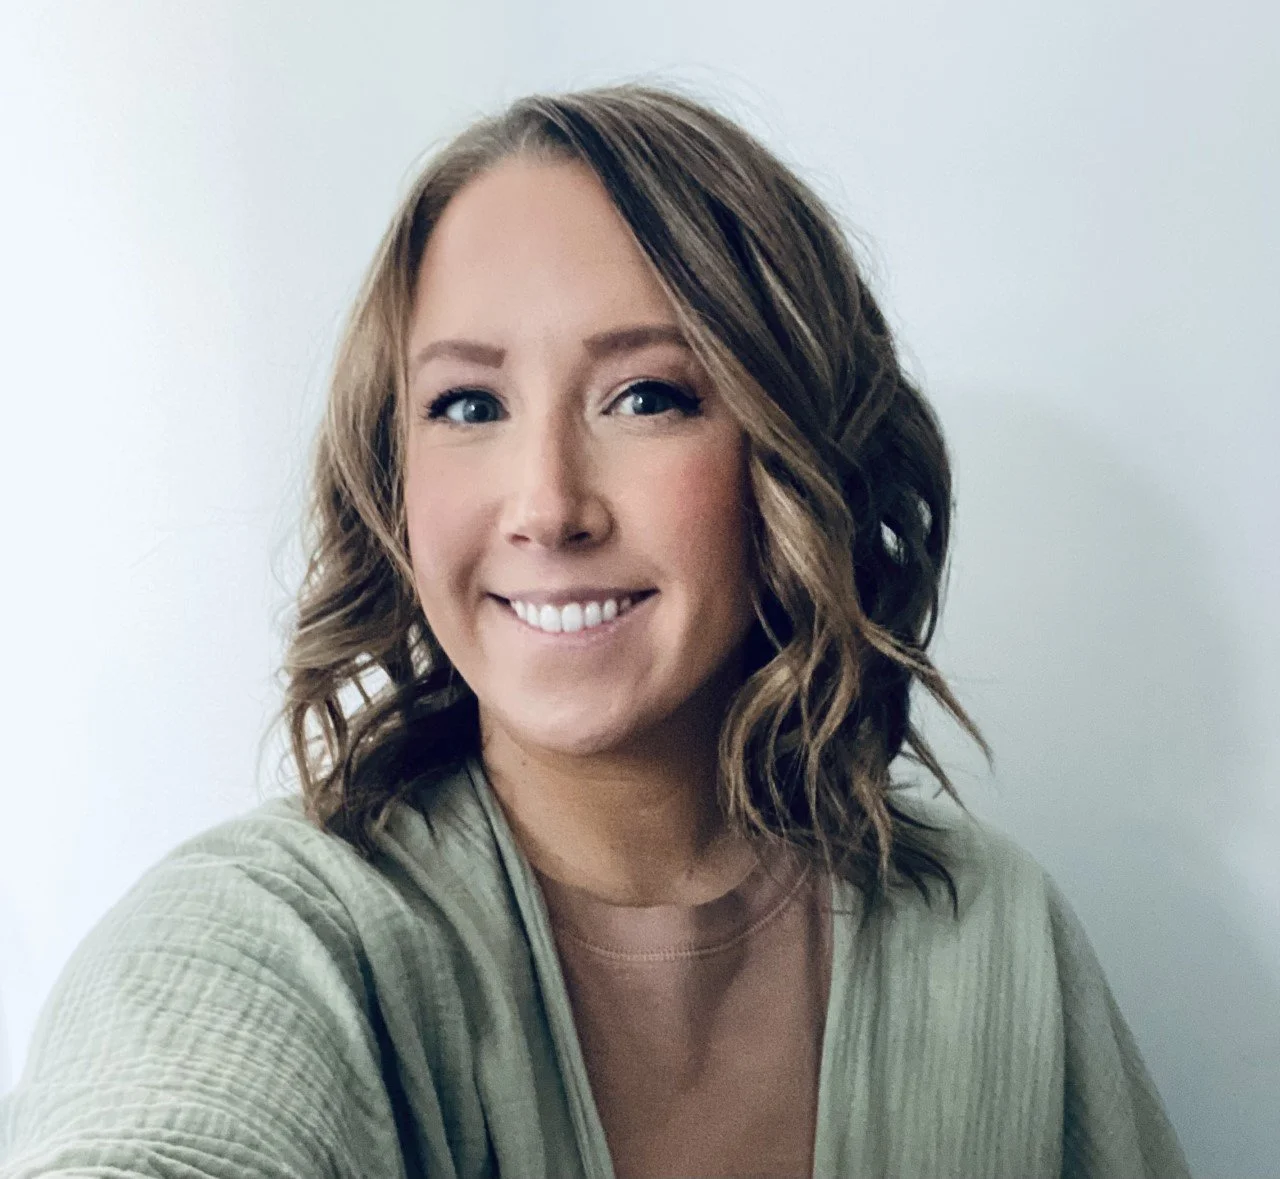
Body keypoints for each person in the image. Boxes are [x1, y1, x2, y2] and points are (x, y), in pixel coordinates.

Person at [0, 85, 1189, 1179]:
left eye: (646, 397)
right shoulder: (262, 935)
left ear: (791, 452)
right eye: (467, 405)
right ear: (392, 477)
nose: (547, 506)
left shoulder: (991, 933)